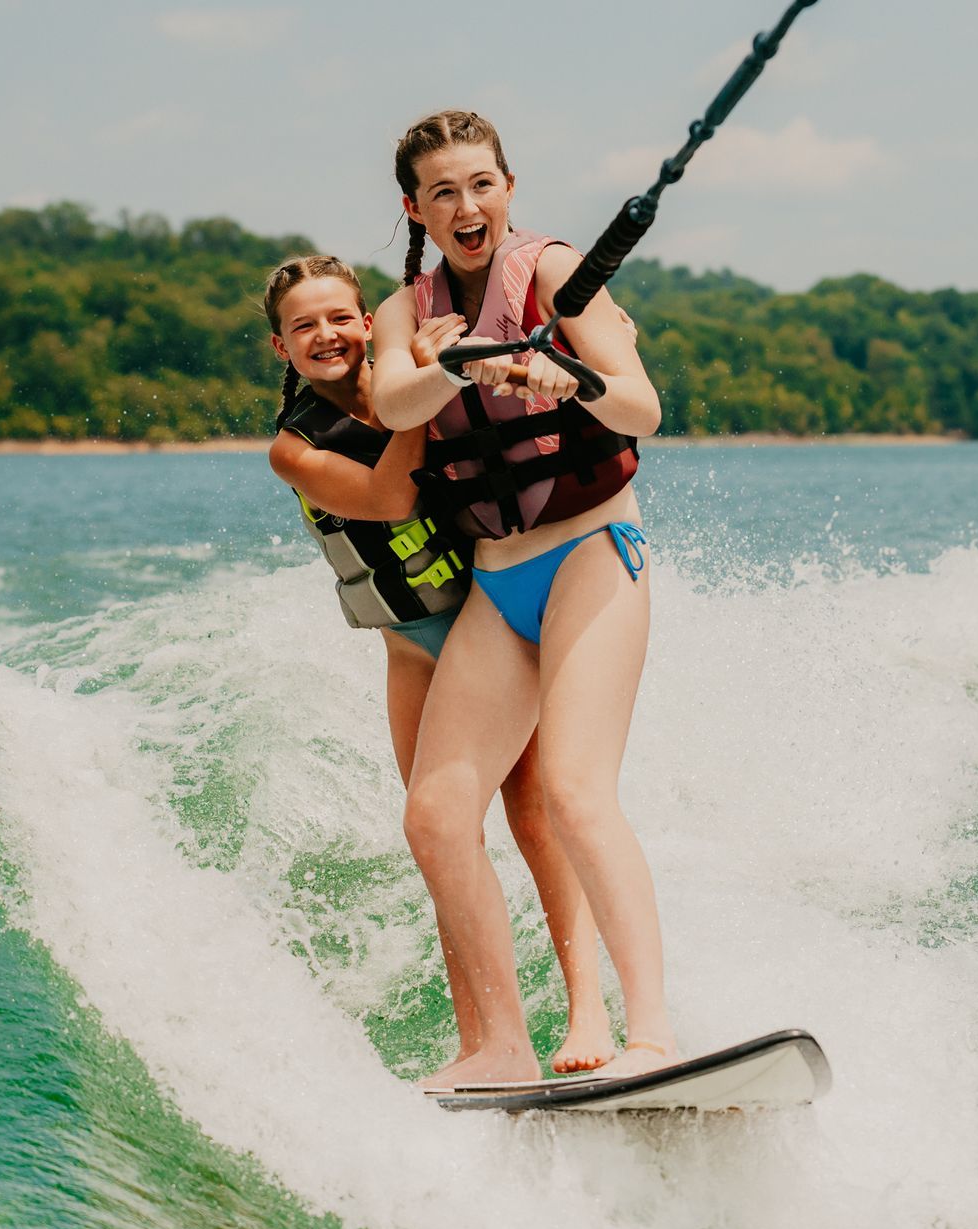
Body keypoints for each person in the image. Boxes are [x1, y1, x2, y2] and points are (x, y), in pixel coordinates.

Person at [369, 110, 673, 1087]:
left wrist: (565, 375)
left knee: (579, 794)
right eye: (444, 192)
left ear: (509, 187)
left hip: (593, 551)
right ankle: (499, 1046)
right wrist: (445, 359)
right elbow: (392, 405)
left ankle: (653, 1035)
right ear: (415, 208)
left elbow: (641, 407)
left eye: (482, 185)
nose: (468, 207)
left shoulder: (552, 274)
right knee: (435, 815)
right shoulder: (402, 314)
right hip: (501, 586)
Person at [262, 254, 615, 1080]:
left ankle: (588, 1013)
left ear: (364, 320)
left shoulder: (421, 368)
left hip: (489, 624)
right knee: (443, 839)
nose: (327, 335)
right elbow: (390, 498)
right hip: (411, 649)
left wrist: (433, 372)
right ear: (281, 348)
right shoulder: (293, 447)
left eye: (341, 317)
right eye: (304, 326)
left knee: (532, 816)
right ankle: (482, 1043)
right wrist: (421, 381)